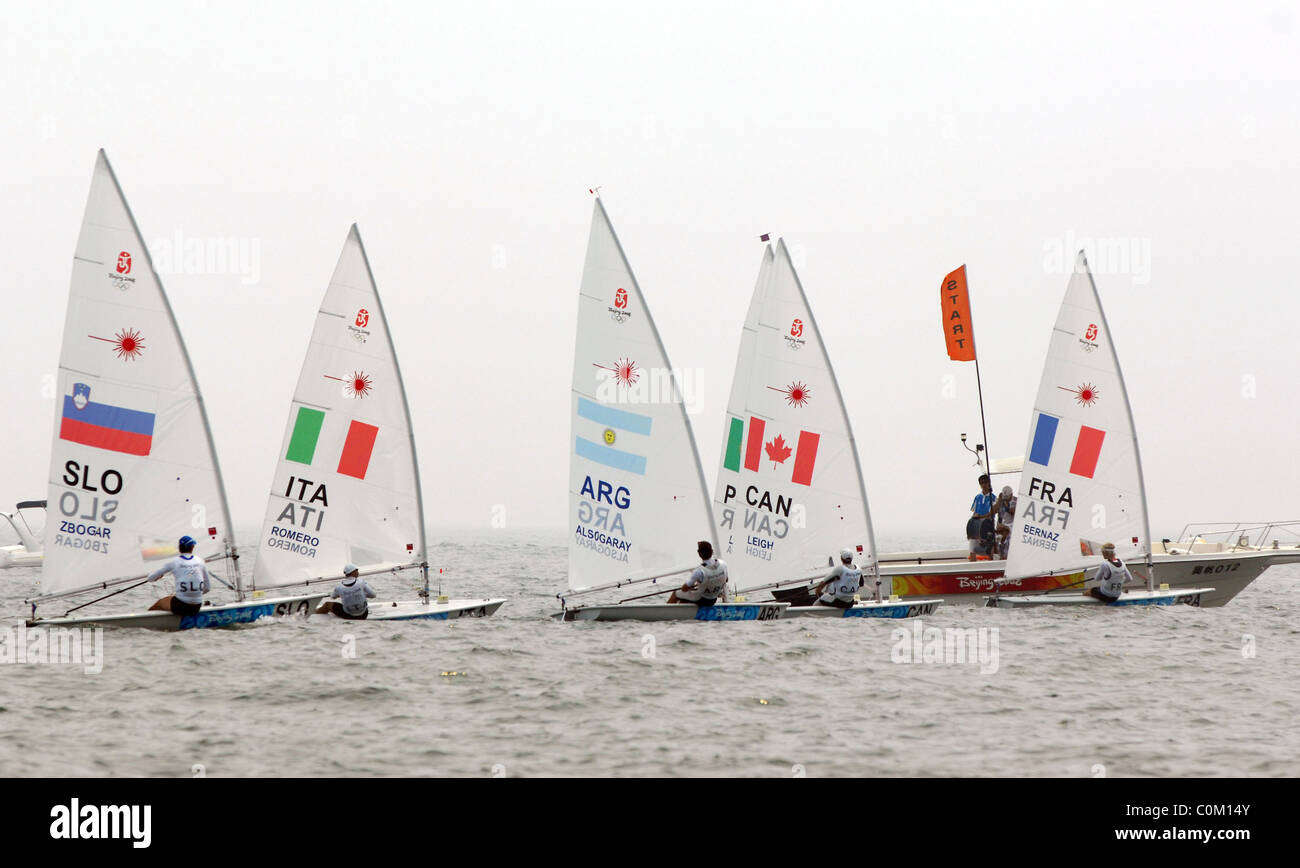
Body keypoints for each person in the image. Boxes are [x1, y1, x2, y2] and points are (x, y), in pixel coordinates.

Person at [147, 535, 211, 616]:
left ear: (179, 548)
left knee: (160, 603)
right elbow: (207, 588)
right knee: (176, 598)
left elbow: (150, 578)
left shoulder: (174, 562)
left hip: (180, 607)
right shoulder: (200, 561)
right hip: (197, 607)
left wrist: (157, 576)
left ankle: (147, 623)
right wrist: (193, 595)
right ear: (192, 547)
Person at [668, 541, 728, 606]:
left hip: (702, 599)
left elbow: (684, 589)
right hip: (714, 599)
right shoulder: (723, 564)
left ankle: (664, 613)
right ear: (712, 551)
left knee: (676, 593)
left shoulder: (699, 571)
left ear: (699, 554)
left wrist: (689, 587)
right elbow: (726, 580)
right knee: (684, 598)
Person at [967, 474, 995, 561]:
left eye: (985, 482)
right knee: (972, 547)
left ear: (989, 483)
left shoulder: (993, 497)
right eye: (981, 483)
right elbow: (974, 511)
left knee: (989, 548)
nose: (983, 485)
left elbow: (992, 513)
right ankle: (972, 565)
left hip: (987, 525)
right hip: (977, 525)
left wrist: (981, 516)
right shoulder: (977, 497)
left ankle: (991, 565)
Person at [994, 485, 1017, 559]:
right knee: (998, 543)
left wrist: (1007, 505)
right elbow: (993, 511)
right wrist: (999, 501)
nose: (1006, 499)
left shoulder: (1016, 501)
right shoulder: (1000, 501)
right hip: (1001, 527)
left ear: (1011, 494)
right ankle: (1000, 557)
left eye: (1007, 497)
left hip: (1012, 527)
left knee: (1008, 543)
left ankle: (1006, 557)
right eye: (1005, 497)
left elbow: (1013, 511)